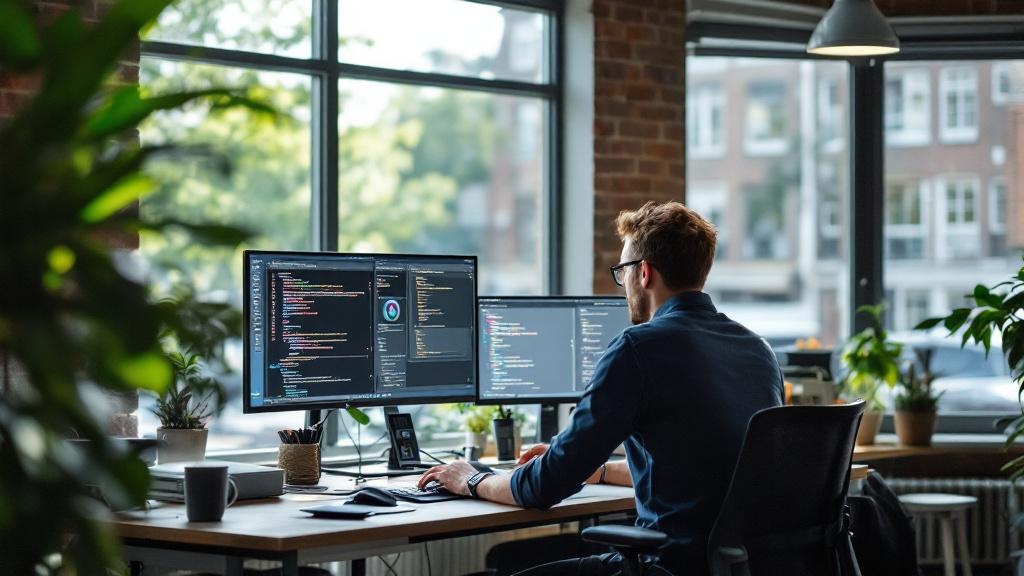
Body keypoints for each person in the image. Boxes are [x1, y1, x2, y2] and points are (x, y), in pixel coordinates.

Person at [418, 201, 783, 575]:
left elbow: (544, 487)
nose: (622, 282)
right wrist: (600, 470)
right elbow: (707, 468)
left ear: (643, 273)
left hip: (668, 566)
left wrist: (472, 480)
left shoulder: (639, 348)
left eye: (622, 271)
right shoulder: (758, 350)